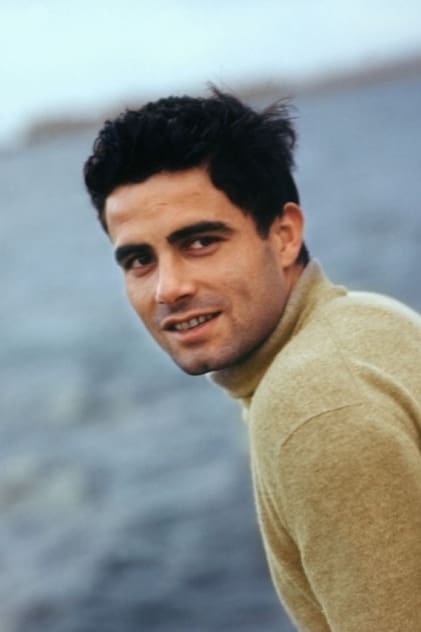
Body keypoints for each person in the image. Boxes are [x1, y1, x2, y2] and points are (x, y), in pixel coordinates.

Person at [83, 89, 421, 632]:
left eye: (199, 242)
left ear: (284, 235)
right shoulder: (367, 315)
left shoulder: (314, 410)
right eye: (140, 260)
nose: (168, 288)